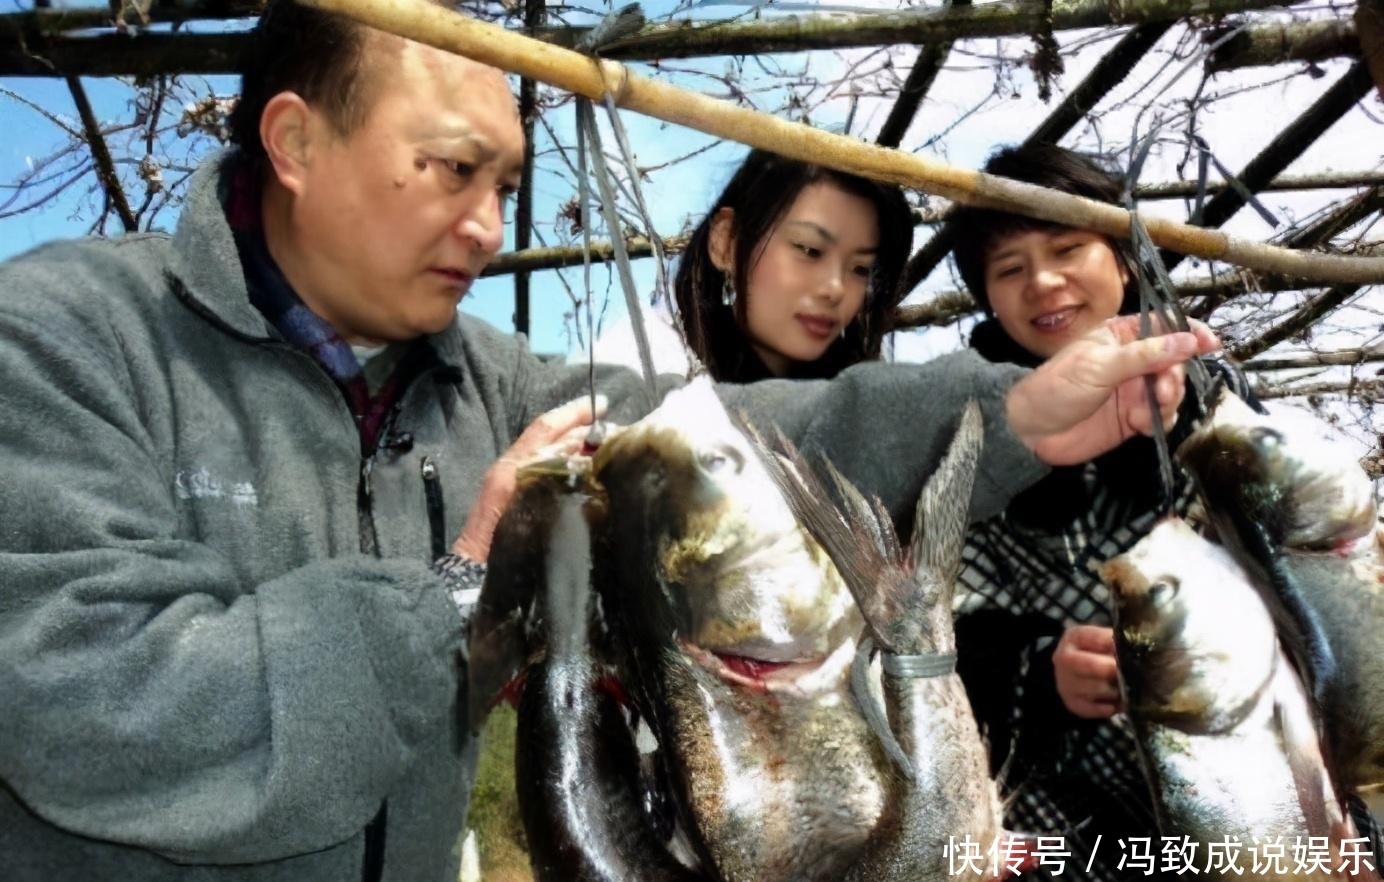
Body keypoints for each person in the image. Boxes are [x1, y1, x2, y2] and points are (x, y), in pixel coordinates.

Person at [0, 3, 1216, 880]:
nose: (485, 227)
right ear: (295, 142)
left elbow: (735, 442)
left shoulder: (490, 378)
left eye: (506, 187)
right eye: (449, 171)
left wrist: (1003, 416)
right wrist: (454, 592)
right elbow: (92, 706)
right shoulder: (65, 336)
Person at [948, 142, 1379, 881]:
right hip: (1082, 824)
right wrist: (1039, 676)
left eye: (1066, 247)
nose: (1042, 282)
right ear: (987, 295)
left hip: (1269, 766)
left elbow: (1312, 568)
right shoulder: (973, 438)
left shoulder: (1210, 393)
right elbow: (950, 637)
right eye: (1009, 269)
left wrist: (1189, 436)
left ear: (1122, 258)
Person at [577, 148, 912, 382]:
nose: (836, 288)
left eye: (861, 269)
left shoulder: (867, 406)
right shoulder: (643, 367)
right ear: (726, 242)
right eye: (809, 250)